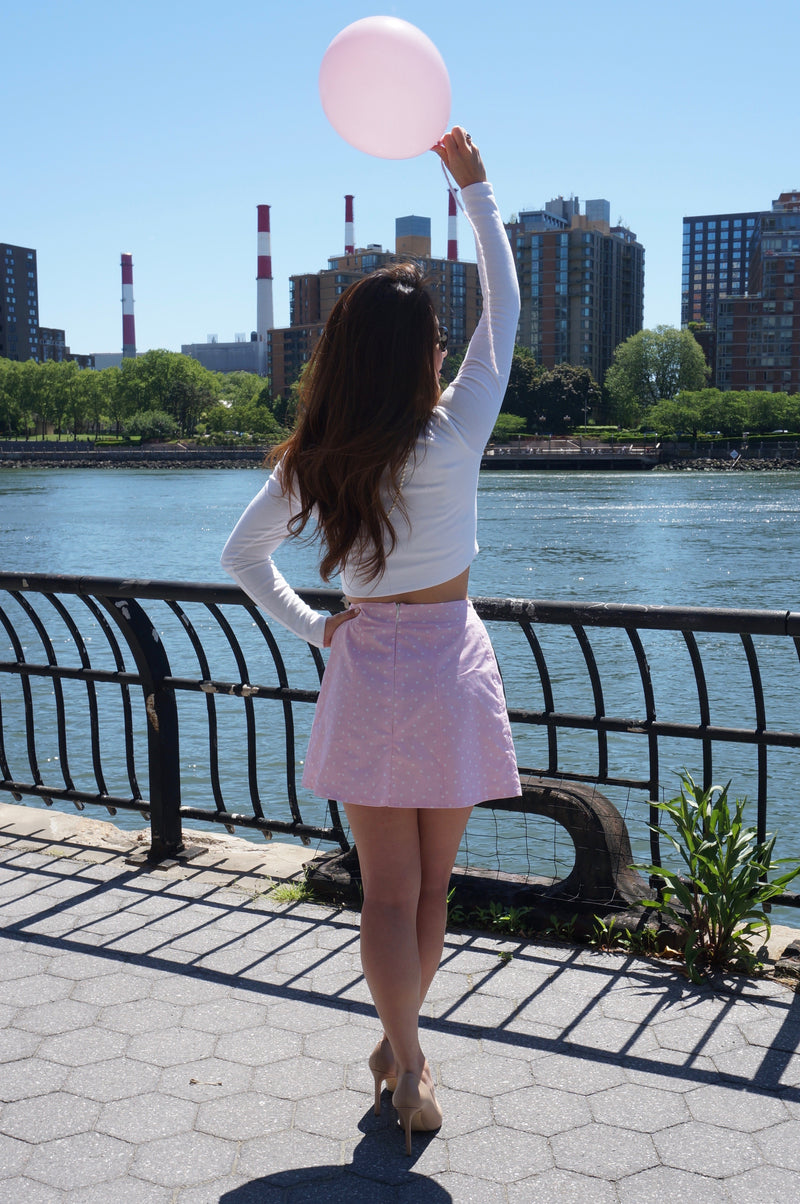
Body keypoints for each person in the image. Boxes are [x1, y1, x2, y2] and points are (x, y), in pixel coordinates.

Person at [221, 126, 521, 1152]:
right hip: (448, 665)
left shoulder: (318, 453)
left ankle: (406, 1054)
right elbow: (506, 310)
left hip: (364, 666)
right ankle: (407, 1052)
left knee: (384, 891)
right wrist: (474, 190)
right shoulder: (456, 428)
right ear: (427, 353)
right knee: (430, 889)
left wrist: (315, 628)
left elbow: (239, 557)